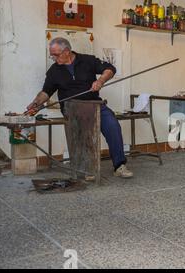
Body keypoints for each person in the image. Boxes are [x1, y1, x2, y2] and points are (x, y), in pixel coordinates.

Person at [27, 37, 133, 178]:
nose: (53, 57)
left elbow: (110, 69)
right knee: (83, 134)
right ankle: (86, 168)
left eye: (56, 54)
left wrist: (100, 80)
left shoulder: (87, 60)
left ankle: (119, 166)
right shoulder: (54, 71)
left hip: (95, 105)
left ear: (67, 51)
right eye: (51, 54)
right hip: (72, 108)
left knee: (113, 125)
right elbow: (46, 92)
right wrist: (36, 103)